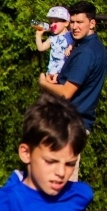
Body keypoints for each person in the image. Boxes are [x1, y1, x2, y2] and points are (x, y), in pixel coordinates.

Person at [39, 1, 107, 182]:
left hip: (71, 124)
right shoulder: (91, 47)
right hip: (74, 122)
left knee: (63, 184)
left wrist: (44, 83)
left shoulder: (86, 52)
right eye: (73, 22)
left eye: (80, 22)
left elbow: (66, 93)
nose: (75, 27)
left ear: (92, 23)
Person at [36, 7, 74, 76]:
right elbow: (41, 48)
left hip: (65, 73)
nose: (52, 25)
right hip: (52, 72)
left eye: (56, 22)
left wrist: (70, 46)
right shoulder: (52, 38)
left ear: (66, 23)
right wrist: (38, 36)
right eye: (51, 22)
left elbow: (76, 42)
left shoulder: (70, 35)